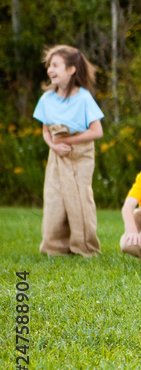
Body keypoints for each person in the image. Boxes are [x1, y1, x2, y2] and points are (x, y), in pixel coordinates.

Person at [33, 45, 104, 256]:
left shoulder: (83, 98)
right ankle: (55, 247)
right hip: (57, 155)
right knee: (55, 199)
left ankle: (84, 246)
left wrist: (69, 140)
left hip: (80, 156)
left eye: (55, 65)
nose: (49, 70)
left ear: (71, 69)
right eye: (48, 66)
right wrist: (54, 145)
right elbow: (46, 131)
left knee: (80, 200)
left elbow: (96, 131)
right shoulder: (47, 99)